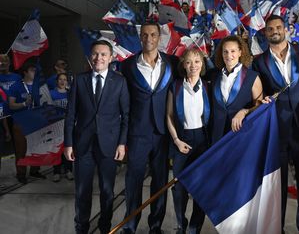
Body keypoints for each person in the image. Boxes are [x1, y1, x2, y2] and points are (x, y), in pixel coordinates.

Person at [252, 15, 299, 234]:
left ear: (286, 29)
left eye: (278, 27)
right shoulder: (258, 61)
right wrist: (260, 101)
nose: (275, 31)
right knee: (276, 187)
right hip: (276, 131)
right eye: (270, 29)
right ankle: (277, 229)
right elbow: (257, 95)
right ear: (265, 33)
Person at [64, 40, 130, 233]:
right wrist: (68, 143)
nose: (98, 58)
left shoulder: (119, 81)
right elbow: (70, 114)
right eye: (94, 54)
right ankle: (81, 228)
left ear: (111, 58)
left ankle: (105, 227)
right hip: (83, 145)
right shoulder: (79, 80)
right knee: (82, 191)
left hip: (109, 146)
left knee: (107, 191)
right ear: (89, 57)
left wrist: (122, 143)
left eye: (103, 54)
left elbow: (126, 116)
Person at [120, 21, 177, 234]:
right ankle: (130, 226)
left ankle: (155, 226)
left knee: (160, 183)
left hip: (163, 133)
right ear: (140, 37)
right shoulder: (126, 66)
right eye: (145, 35)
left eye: (153, 34)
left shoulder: (172, 63)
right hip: (137, 133)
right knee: (133, 181)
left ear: (159, 37)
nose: (149, 39)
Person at [166, 48, 209, 234]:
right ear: (183, 64)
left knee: (201, 187)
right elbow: (168, 115)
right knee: (179, 188)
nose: (193, 66)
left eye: (197, 61)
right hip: (181, 139)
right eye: (189, 62)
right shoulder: (175, 86)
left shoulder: (208, 86)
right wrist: (176, 139)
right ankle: (181, 225)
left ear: (202, 64)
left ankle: (194, 227)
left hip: (202, 140)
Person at [211, 35, 263, 143]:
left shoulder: (252, 77)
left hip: (241, 133)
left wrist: (244, 112)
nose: (229, 55)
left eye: (233, 51)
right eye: (225, 51)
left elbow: (259, 106)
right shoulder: (214, 77)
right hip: (217, 136)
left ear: (240, 52)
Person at [8, 62, 46, 184]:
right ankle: (21, 173)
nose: (35, 73)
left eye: (35, 70)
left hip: (36, 122)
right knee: (21, 150)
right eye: (32, 70)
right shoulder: (16, 86)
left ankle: (35, 170)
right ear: (25, 72)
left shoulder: (40, 85)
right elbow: (11, 105)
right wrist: (24, 104)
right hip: (21, 122)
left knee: (37, 147)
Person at [50, 73, 73, 182]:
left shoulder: (70, 94)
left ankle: (69, 170)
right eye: (60, 79)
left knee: (68, 147)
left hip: (68, 126)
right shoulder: (51, 94)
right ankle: (57, 171)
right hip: (55, 125)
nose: (62, 81)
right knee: (57, 149)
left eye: (64, 79)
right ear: (57, 81)